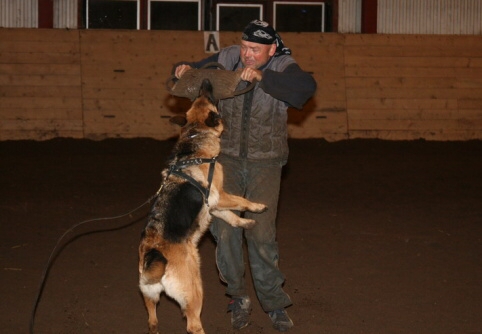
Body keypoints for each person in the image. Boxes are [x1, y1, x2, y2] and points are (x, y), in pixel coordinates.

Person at [173, 19, 316, 332]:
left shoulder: (284, 65)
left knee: (261, 233)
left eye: (256, 49)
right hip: (226, 162)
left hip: (266, 162)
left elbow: (305, 89)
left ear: (272, 48)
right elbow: (189, 69)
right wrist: (181, 70)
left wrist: (263, 77)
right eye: (245, 46)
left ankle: (273, 301)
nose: (248, 54)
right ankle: (238, 297)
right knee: (224, 232)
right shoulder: (226, 59)